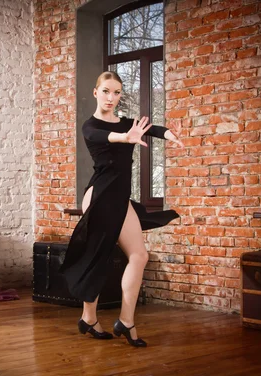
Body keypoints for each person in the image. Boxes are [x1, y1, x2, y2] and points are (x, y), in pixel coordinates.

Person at [61, 71, 184, 347]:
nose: (111, 97)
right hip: (99, 195)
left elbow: (152, 129)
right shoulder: (90, 126)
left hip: (120, 197)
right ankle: (89, 318)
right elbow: (109, 138)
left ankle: (125, 321)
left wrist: (170, 135)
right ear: (96, 92)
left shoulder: (129, 124)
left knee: (139, 255)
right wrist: (126, 138)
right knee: (97, 257)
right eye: (106, 91)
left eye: (116, 92)